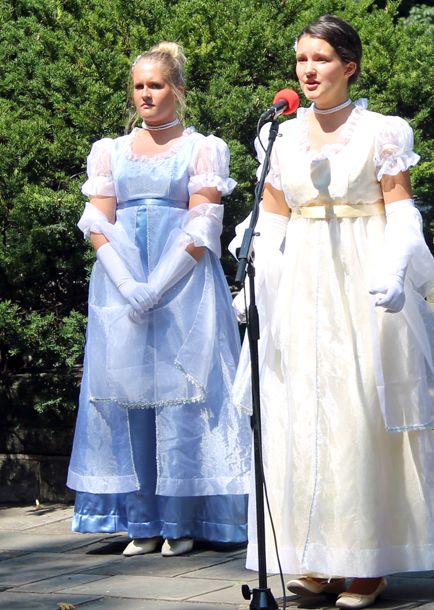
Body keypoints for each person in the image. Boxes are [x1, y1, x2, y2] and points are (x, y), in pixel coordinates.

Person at [231, 15, 434, 609]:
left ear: (350, 65)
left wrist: (395, 269)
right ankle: (314, 556)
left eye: (320, 59)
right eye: (301, 60)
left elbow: (401, 211)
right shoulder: (281, 136)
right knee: (300, 417)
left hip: (361, 285)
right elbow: (272, 214)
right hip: (299, 286)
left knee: (358, 416)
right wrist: (251, 274)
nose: (308, 70)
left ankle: (368, 560)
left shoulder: (382, 133)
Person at [67, 42, 251, 558]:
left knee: (184, 395)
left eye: (157, 85)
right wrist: (128, 284)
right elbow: (98, 220)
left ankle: (182, 518)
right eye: (140, 85)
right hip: (123, 284)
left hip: (183, 282)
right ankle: (141, 520)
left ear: (179, 91)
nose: (146, 94)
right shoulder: (111, 150)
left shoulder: (203, 148)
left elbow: (203, 221)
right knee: (128, 397)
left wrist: (162, 282)